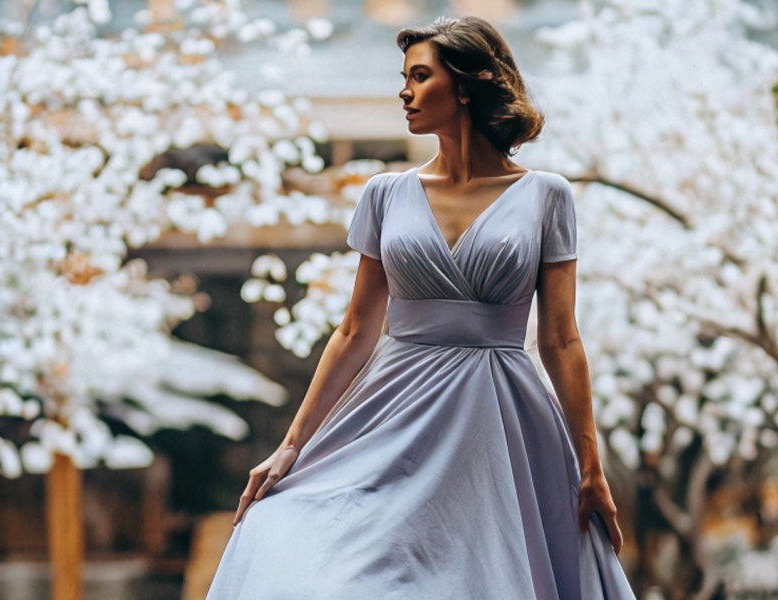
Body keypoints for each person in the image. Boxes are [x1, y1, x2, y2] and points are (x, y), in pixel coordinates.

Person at [206, 16, 635, 599]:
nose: (404, 92)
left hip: (501, 419)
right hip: (394, 408)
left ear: (465, 86)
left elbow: (561, 339)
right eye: (403, 78)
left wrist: (591, 463)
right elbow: (356, 328)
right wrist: (291, 445)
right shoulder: (385, 193)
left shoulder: (545, 195)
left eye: (419, 77)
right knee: (311, 544)